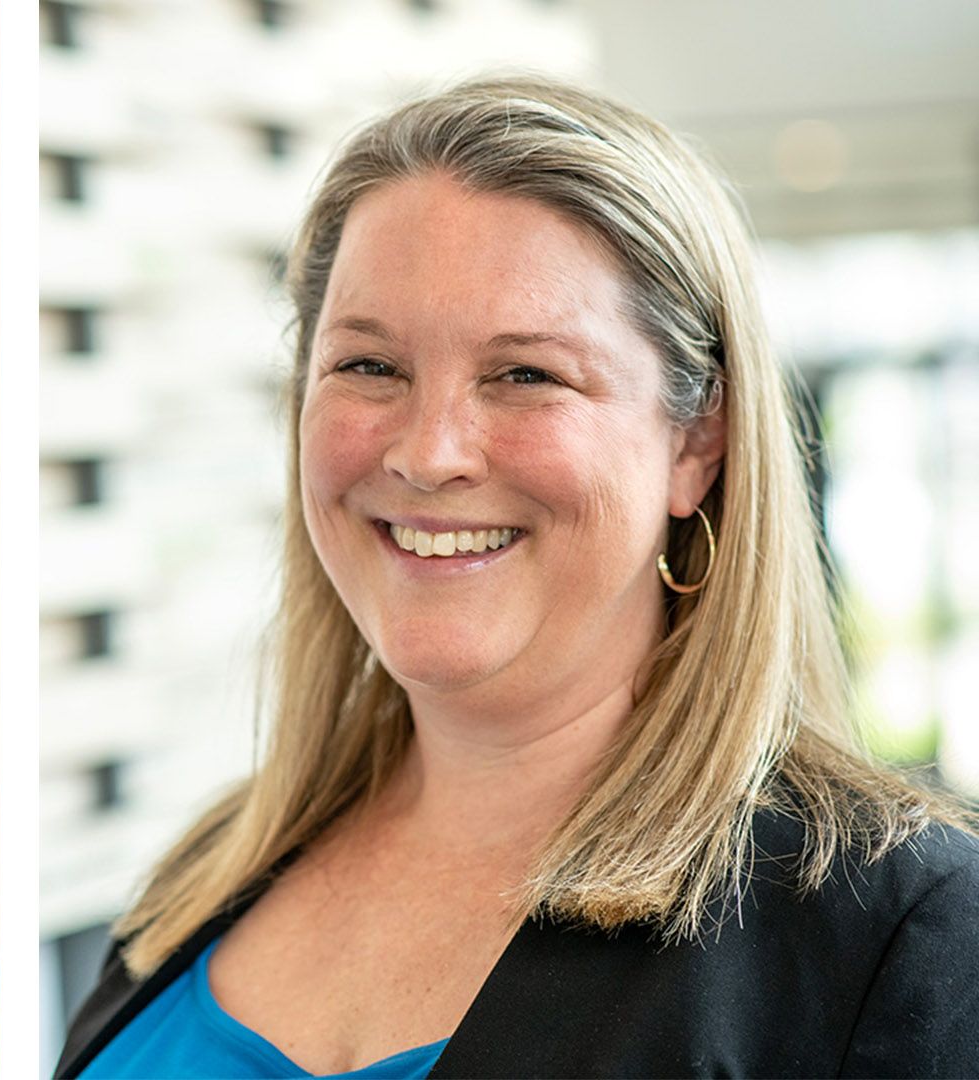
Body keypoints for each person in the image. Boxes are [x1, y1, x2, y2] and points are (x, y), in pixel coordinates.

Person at [57, 73, 979, 1079]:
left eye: (526, 374)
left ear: (697, 443)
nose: (430, 453)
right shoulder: (198, 881)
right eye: (370, 367)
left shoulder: (899, 933)